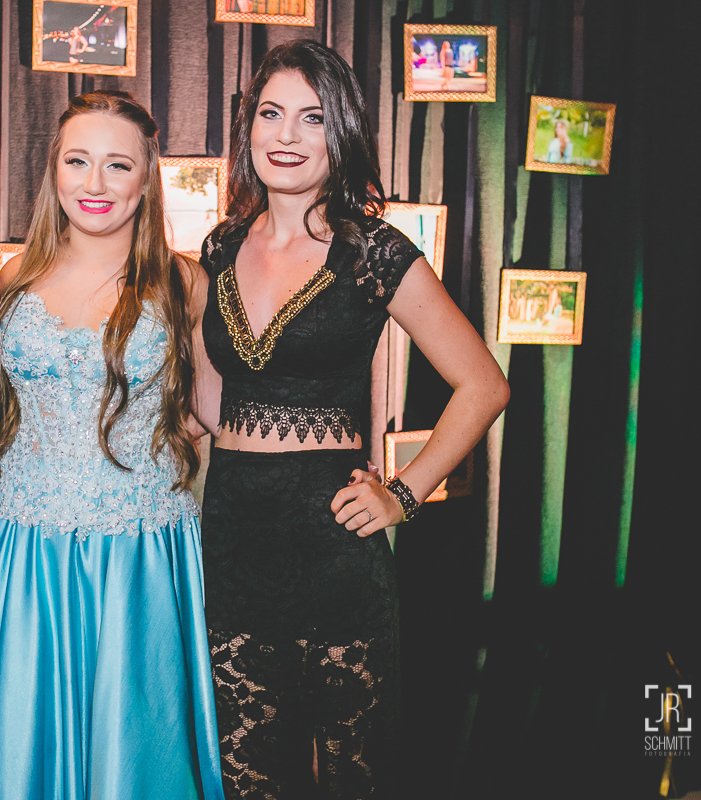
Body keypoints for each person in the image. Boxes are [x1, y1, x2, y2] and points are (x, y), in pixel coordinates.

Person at [194, 40, 509, 798]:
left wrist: (402, 494)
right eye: (271, 114)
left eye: (312, 117)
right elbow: (209, 405)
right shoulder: (220, 247)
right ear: (248, 127)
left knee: (352, 780)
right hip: (232, 549)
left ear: (341, 133)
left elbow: (484, 385)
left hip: (333, 554)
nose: (286, 135)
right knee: (246, 781)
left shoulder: (374, 251)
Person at [0, 90, 223, 800]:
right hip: (20, 548)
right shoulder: (15, 276)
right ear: (53, 171)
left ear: (146, 178)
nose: (95, 183)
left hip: (139, 552)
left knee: (135, 747)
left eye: (118, 165)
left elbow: (216, 412)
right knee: (17, 743)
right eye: (77, 161)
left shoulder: (183, 282)